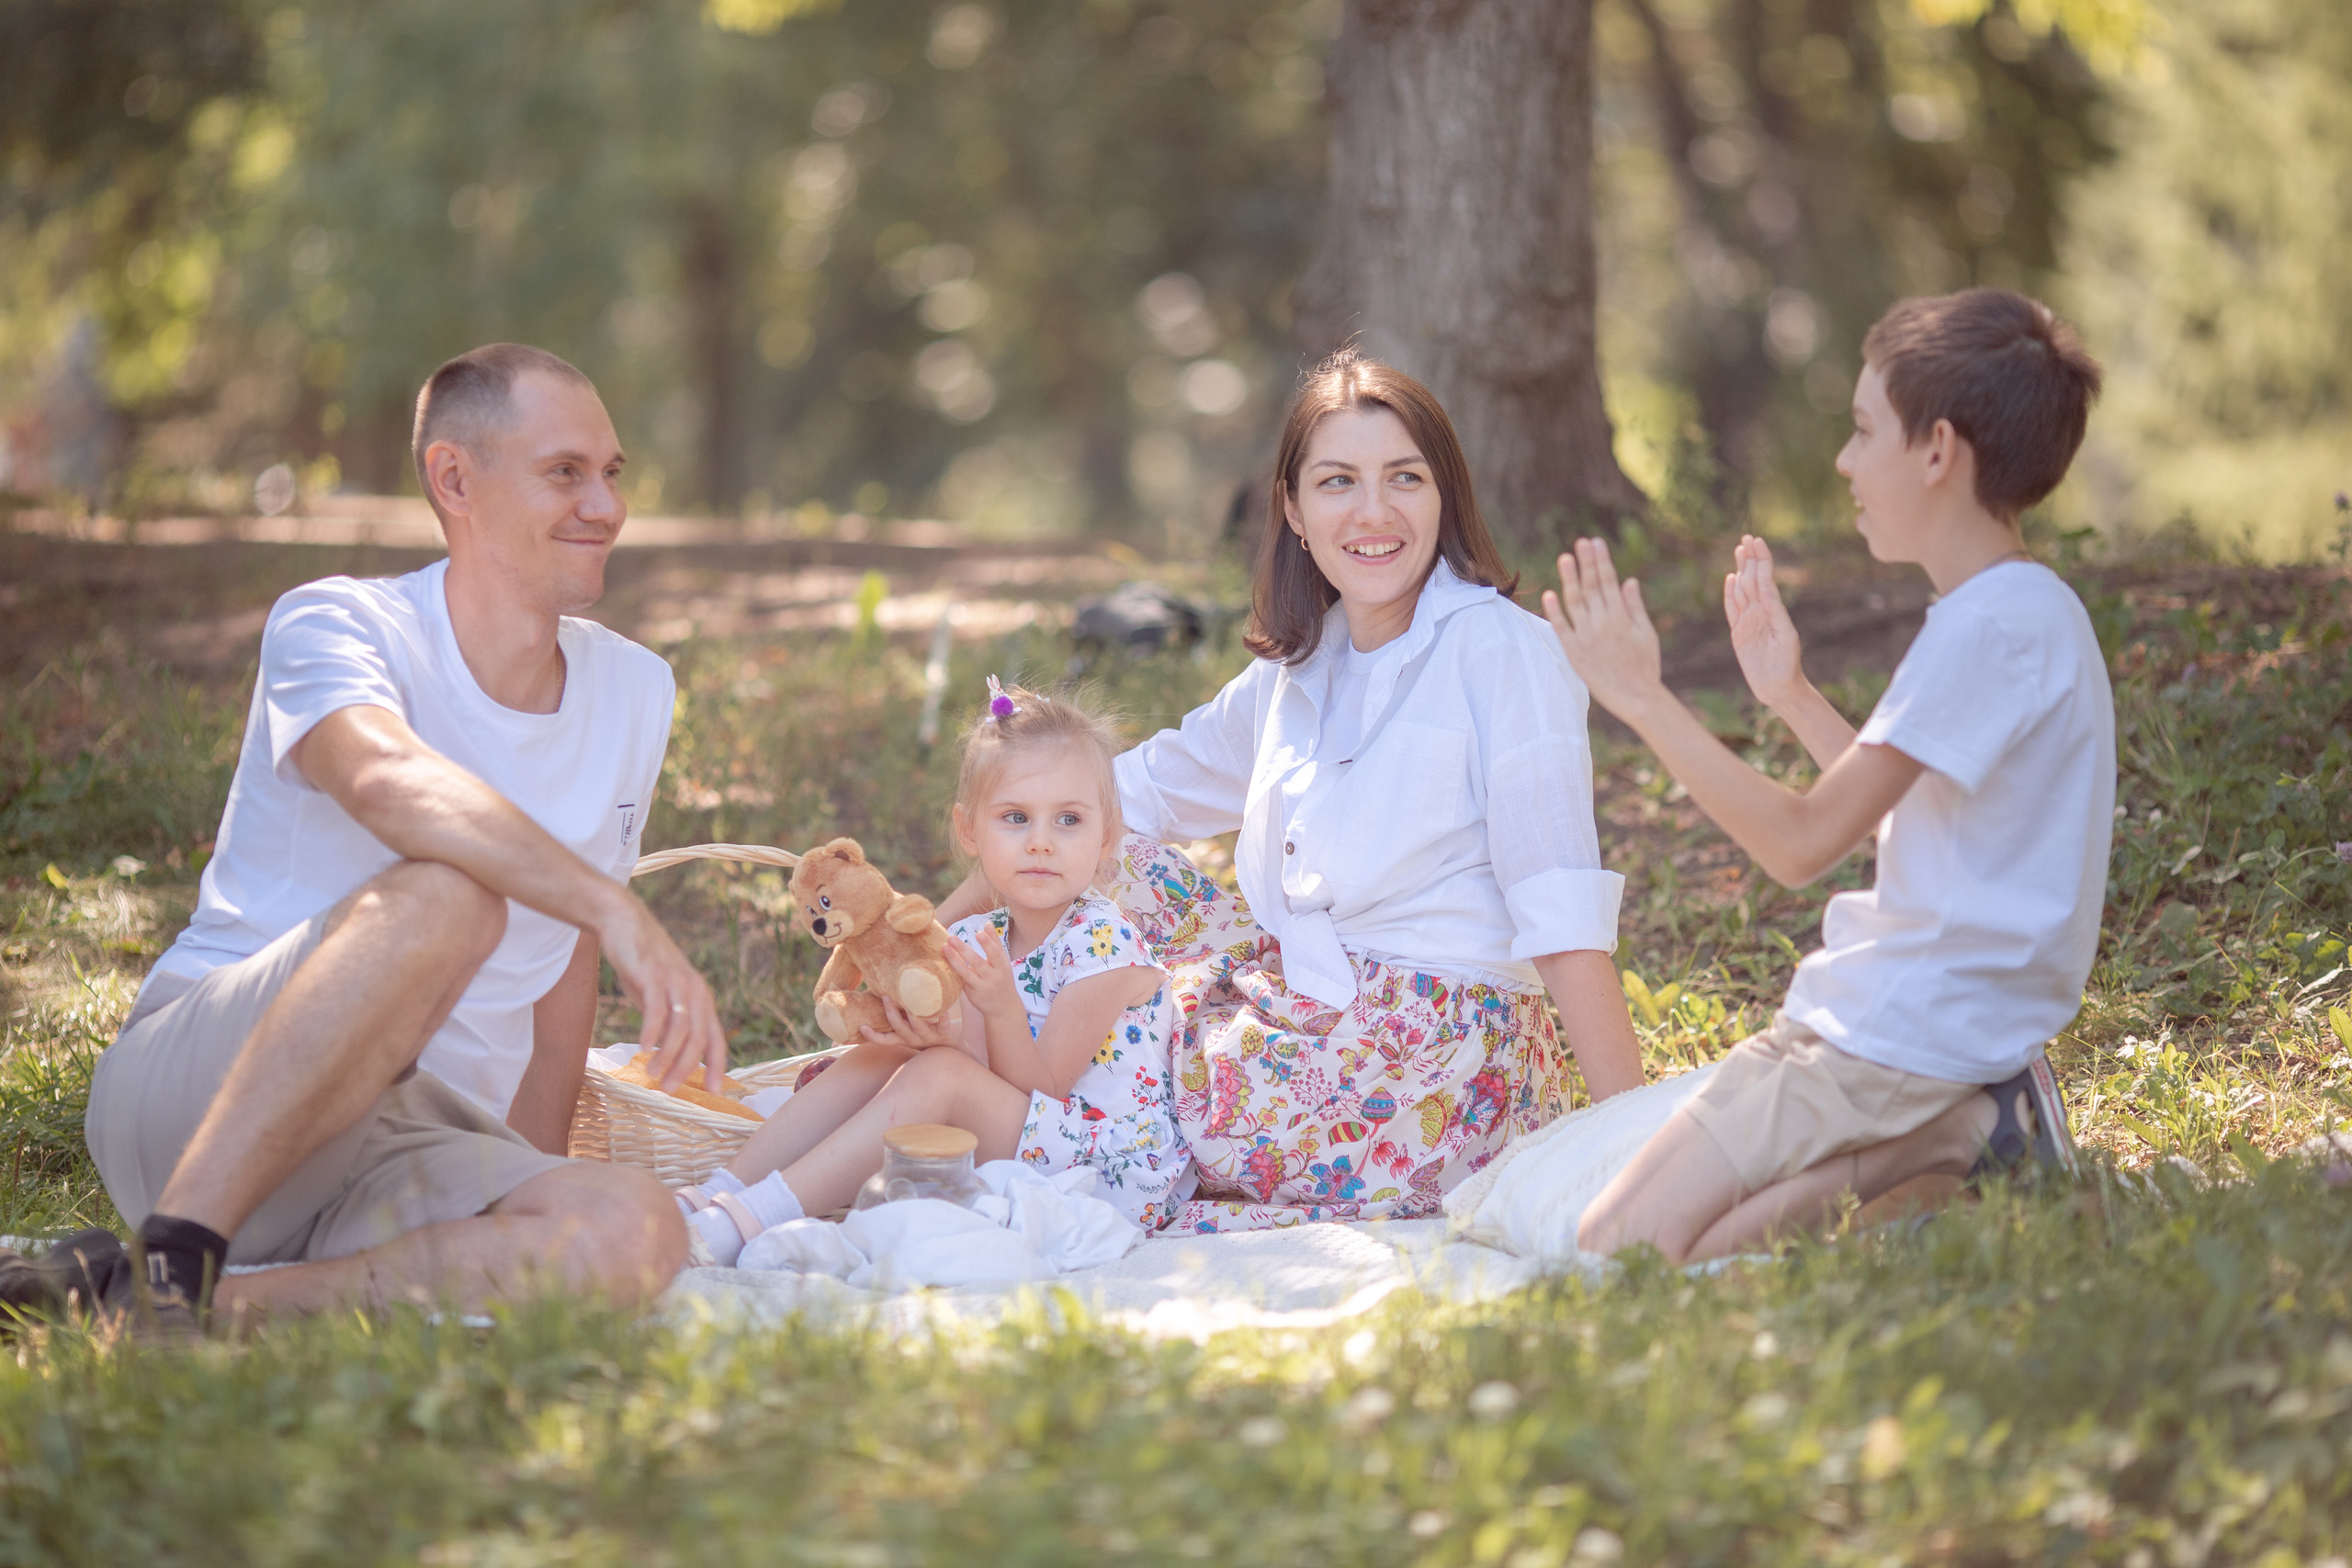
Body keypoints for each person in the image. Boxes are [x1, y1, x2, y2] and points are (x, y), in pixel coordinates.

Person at [6, 344, 719, 1331]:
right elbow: (388, 783)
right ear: (454, 479)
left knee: (633, 1229)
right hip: (201, 1102)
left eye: (611, 473)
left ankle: (172, 1310)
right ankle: (178, 1253)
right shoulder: (338, 623)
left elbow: (565, 970)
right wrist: (610, 902)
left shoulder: (635, 689)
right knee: (450, 895)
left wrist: (530, 1173)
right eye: (565, 472)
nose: (604, 505)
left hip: (396, 1141)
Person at [938, 349, 1645, 1232]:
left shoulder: (1504, 651)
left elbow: (1563, 912)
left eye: (1405, 479)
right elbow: (1124, 794)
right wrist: (923, 939)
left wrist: (1634, 1146)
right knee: (1085, 835)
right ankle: (948, 1012)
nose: (1374, 512)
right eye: (1338, 481)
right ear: (1294, 509)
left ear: (1445, 496)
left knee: (1131, 1024)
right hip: (1307, 1005)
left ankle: (1022, 1104)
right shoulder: (1304, 662)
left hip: (1441, 1056)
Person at [1547, 288, 2109, 1264]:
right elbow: (1919, 824)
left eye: (1861, 431)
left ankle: (1967, 1135)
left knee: (1614, 1252)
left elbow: (1802, 846)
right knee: (1685, 1251)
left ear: (1936, 451)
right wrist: (1792, 694)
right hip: (1941, 1040)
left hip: (1889, 1040)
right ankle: (1978, 1136)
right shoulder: (2028, 612)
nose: (1845, 462)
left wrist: (1640, 698)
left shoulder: (1983, 627)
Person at [674, 682, 1187, 1261]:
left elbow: (1044, 1088)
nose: (1041, 843)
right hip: (1030, 1133)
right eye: (1016, 818)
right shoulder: (973, 936)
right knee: (885, 1054)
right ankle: (714, 1195)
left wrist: (991, 1014)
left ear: (1105, 837)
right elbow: (977, 1062)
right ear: (970, 830)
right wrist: (933, 1037)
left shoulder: (1104, 941)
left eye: (1068, 820)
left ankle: (750, 1220)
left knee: (938, 1074)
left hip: (1109, 1167)